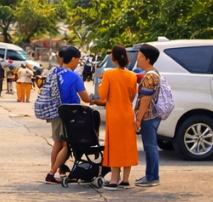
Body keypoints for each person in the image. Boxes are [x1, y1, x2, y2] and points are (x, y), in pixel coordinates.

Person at [86, 45, 140, 190]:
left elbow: (101, 96)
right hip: (128, 114)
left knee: (115, 146)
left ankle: (114, 180)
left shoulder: (109, 75)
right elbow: (132, 95)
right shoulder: (132, 76)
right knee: (127, 146)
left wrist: (98, 84)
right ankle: (125, 180)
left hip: (114, 114)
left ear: (113, 58)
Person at [46, 46, 89, 184]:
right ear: (74, 59)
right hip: (69, 113)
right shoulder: (74, 76)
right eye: (78, 60)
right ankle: (52, 173)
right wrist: (94, 100)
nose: (78, 63)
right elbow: (86, 98)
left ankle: (59, 172)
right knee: (66, 144)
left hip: (54, 112)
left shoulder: (52, 72)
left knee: (57, 142)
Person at [133, 44, 164, 187]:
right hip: (152, 115)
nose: (138, 59)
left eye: (140, 57)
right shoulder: (152, 73)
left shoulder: (150, 76)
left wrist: (139, 118)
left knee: (150, 146)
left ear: (148, 59)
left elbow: (145, 99)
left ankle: (152, 176)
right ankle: (150, 175)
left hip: (149, 116)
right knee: (149, 146)